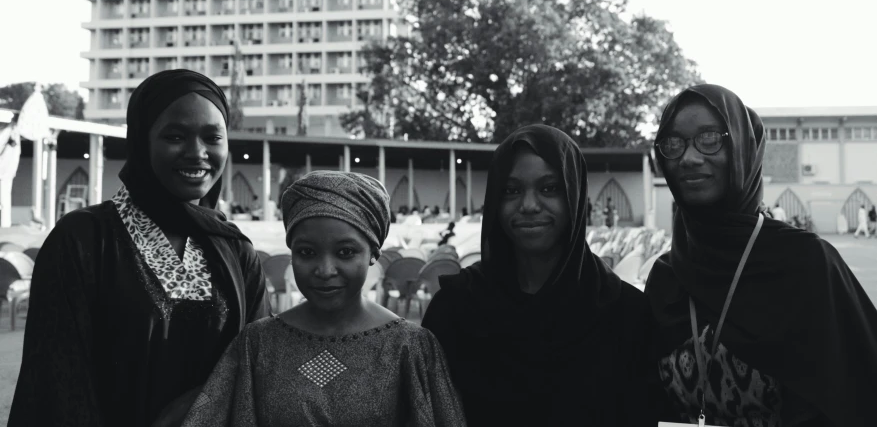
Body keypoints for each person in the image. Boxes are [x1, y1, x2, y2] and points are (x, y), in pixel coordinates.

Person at [9, 70, 272, 427]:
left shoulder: (234, 250)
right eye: (175, 136)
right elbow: (55, 382)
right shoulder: (84, 240)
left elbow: (259, 367)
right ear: (141, 142)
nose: (197, 153)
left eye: (213, 137)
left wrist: (199, 405)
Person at [646, 84, 877, 426]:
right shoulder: (667, 277)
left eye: (710, 138)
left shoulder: (806, 264)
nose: (689, 158)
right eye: (674, 143)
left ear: (742, 148)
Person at [182, 171, 465, 426]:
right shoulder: (257, 344)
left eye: (345, 252)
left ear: (374, 254)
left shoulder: (410, 347)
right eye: (307, 252)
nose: (325, 270)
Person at [421, 125, 653, 426]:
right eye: (511, 190)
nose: (529, 206)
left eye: (549, 188)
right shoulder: (457, 308)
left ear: (575, 196)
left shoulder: (624, 312)